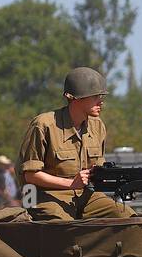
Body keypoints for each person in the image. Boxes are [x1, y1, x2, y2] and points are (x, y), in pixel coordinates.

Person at [18, 67, 133, 220]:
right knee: (65, 227)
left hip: (86, 195)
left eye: (101, 96)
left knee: (127, 216)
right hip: (41, 195)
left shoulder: (97, 126)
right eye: (95, 96)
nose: (101, 102)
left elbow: (97, 171)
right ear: (75, 98)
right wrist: (71, 183)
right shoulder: (44, 125)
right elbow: (30, 176)